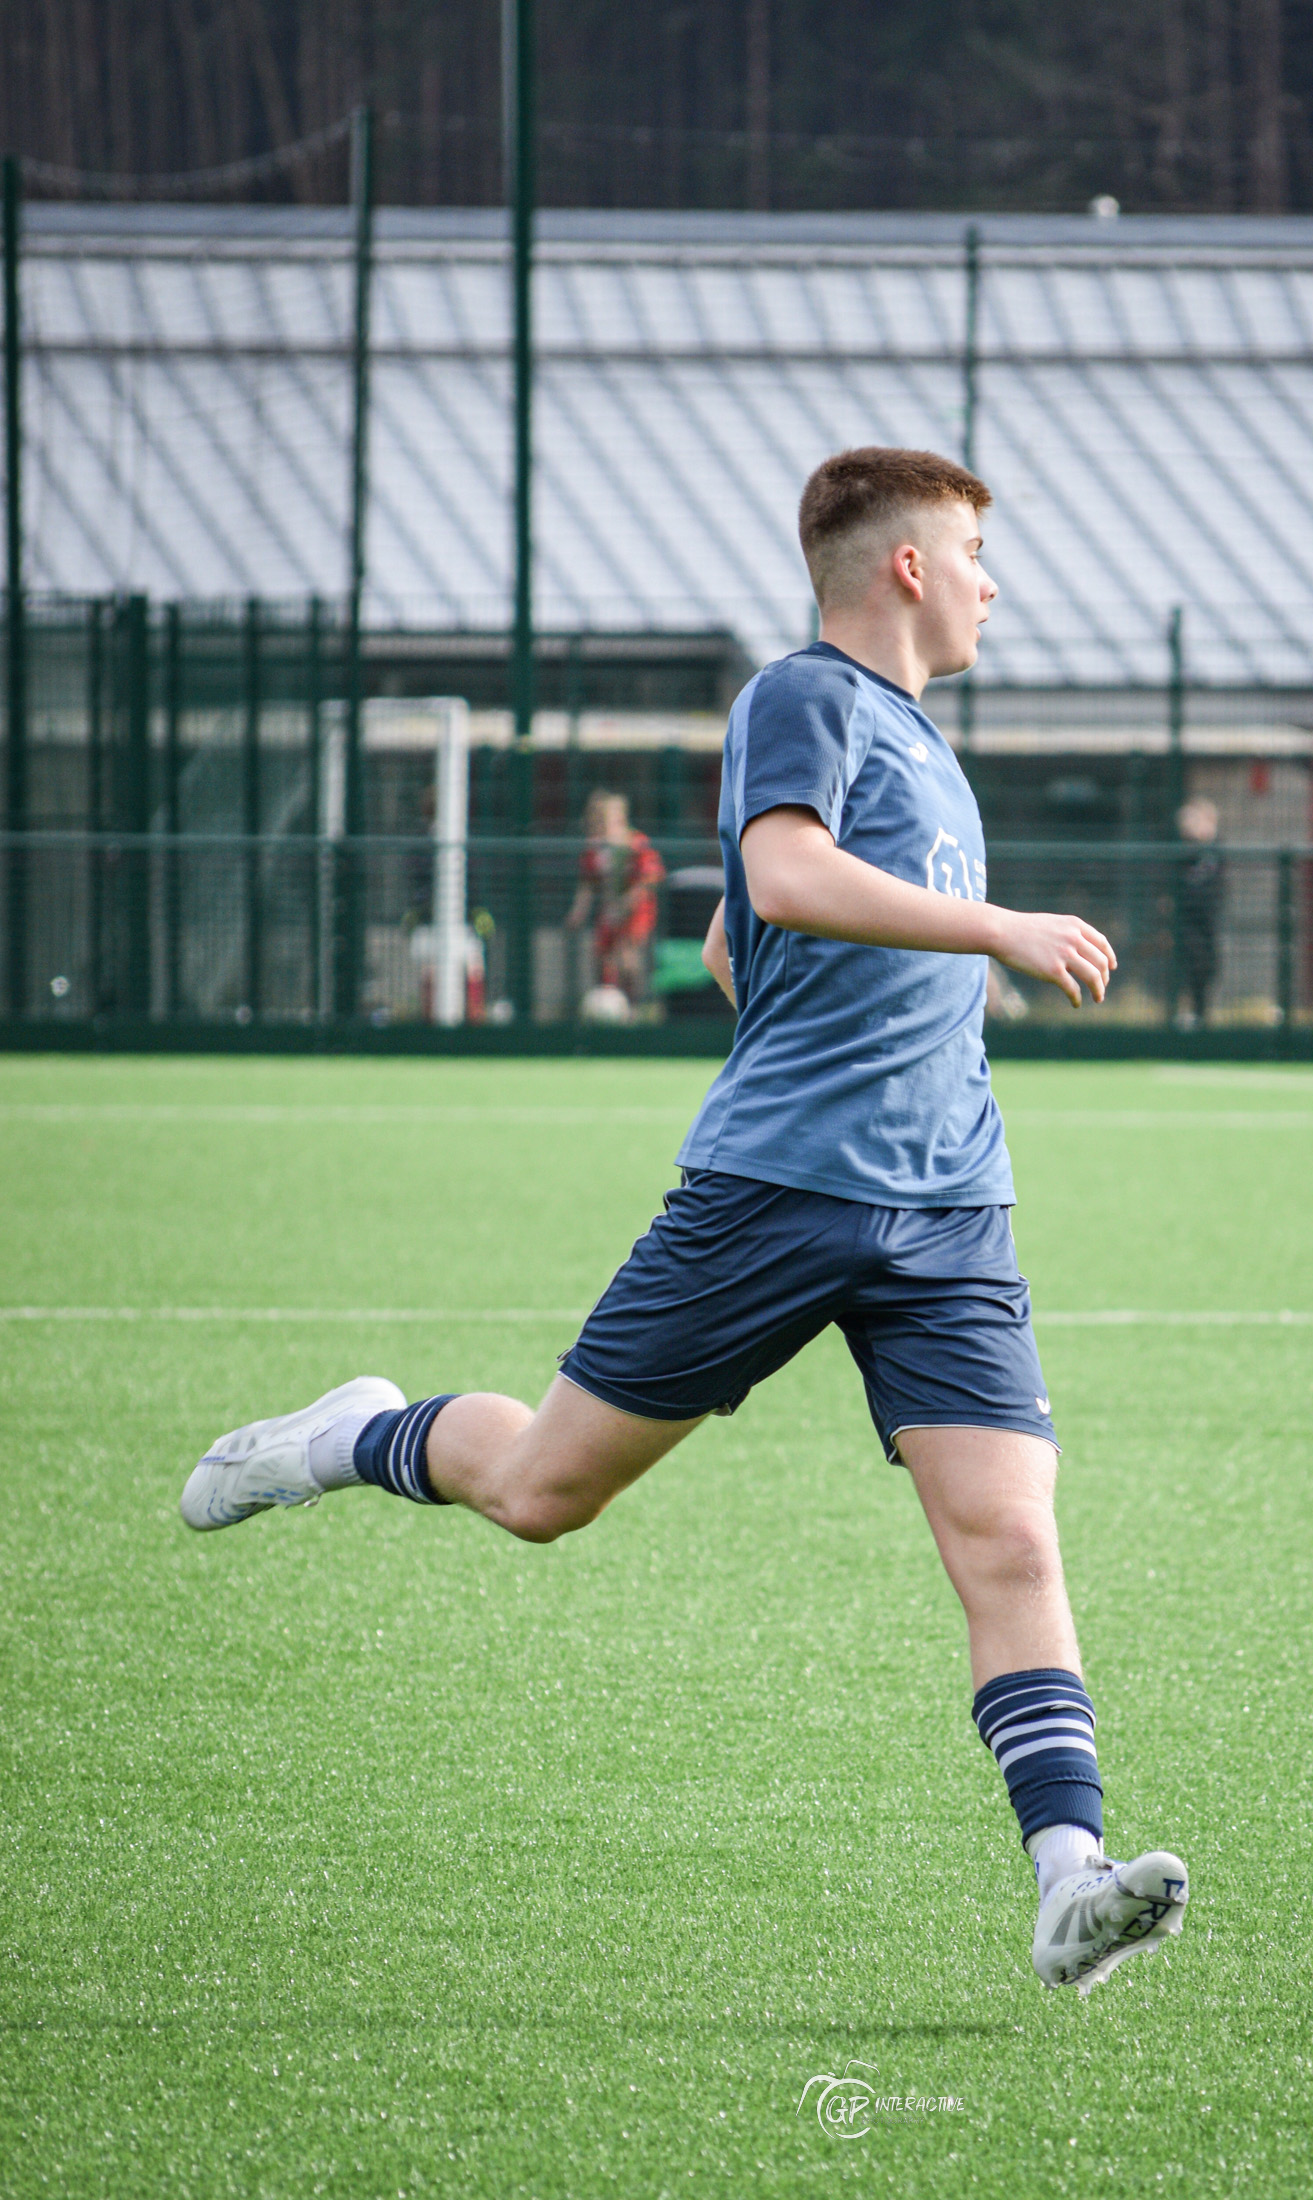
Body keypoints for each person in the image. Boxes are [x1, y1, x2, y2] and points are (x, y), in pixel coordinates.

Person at [181, 446, 1188, 1996]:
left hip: (950, 1211)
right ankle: (347, 1437)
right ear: (906, 566)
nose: (997, 582)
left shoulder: (921, 743)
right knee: (536, 1494)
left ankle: (1070, 1882)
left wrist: (775, 926)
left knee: (1008, 1535)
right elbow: (783, 873)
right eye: (977, 552)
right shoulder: (806, 692)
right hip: (778, 1191)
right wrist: (989, 924)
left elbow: (752, 908)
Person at [563, 789, 666, 1017]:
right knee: (602, 955)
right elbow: (588, 882)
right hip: (610, 909)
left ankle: (638, 1007)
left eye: (604, 820)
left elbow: (650, 878)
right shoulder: (595, 849)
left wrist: (627, 903)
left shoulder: (636, 843)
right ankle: (611, 1006)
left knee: (628, 956)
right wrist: (578, 910)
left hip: (636, 909)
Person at [1173, 796, 1223, 1026]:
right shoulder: (1183, 853)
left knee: (1206, 969)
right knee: (1186, 968)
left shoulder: (1215, 852)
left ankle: (1202, 1017)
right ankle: (1184, 1016)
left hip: (1208, 922)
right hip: (1185, 923)